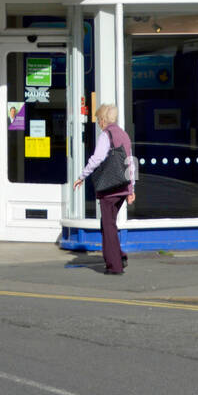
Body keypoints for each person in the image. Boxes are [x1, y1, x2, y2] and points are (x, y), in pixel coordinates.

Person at [73, 103, 135, 274]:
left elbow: (97, 159)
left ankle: (114, 266)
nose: (98, 123)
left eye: (98, 120)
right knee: (108, 224)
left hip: (110, 188)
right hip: (122, 187)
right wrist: (131, 189)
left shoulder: (106, 135)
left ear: (102, 119)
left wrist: (81, 177)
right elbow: (130, 162)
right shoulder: (123, 134)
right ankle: (119, 256)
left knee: (108, 226)